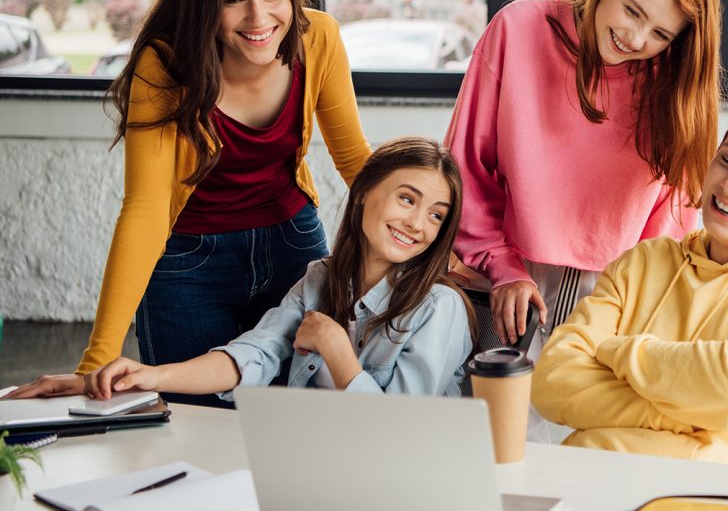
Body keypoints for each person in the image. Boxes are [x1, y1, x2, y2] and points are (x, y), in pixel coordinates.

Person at [8, 0, 371, 406]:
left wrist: (445, 250)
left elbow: (355, 159)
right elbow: (146, 208)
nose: (260, 19)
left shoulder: (319, 37)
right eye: (233, 1)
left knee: (297, 418)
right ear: (204, 2)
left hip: (293, 245)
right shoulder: (166, 64)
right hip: (189, 267)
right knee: (197, 426)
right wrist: (96, 363)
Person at [531, 85, 728, 473]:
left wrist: (621, 353)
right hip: (586, 484)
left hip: (724, 509)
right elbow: (551, 381)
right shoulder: (643, 263)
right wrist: (693, 417)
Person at [12, 138, 475, 402]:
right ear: (362, 193)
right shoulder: (320, 280)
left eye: (436, 214)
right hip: (313, 464)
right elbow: (250, 356)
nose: (417, 223)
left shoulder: (440, 308)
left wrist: (338, 350)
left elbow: (405, 434)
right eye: (407, 199)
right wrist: (150, 376)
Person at [445, 0, 721, 352]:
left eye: (661, 34)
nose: (636, 39)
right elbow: (465, 164)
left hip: (614, 294)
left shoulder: (674, 81)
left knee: (594, 417)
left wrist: (638, 294)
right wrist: (502, 265)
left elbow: (674, 213)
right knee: (495, 413)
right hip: (503, 275)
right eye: (632, 10)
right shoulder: (519, 27)